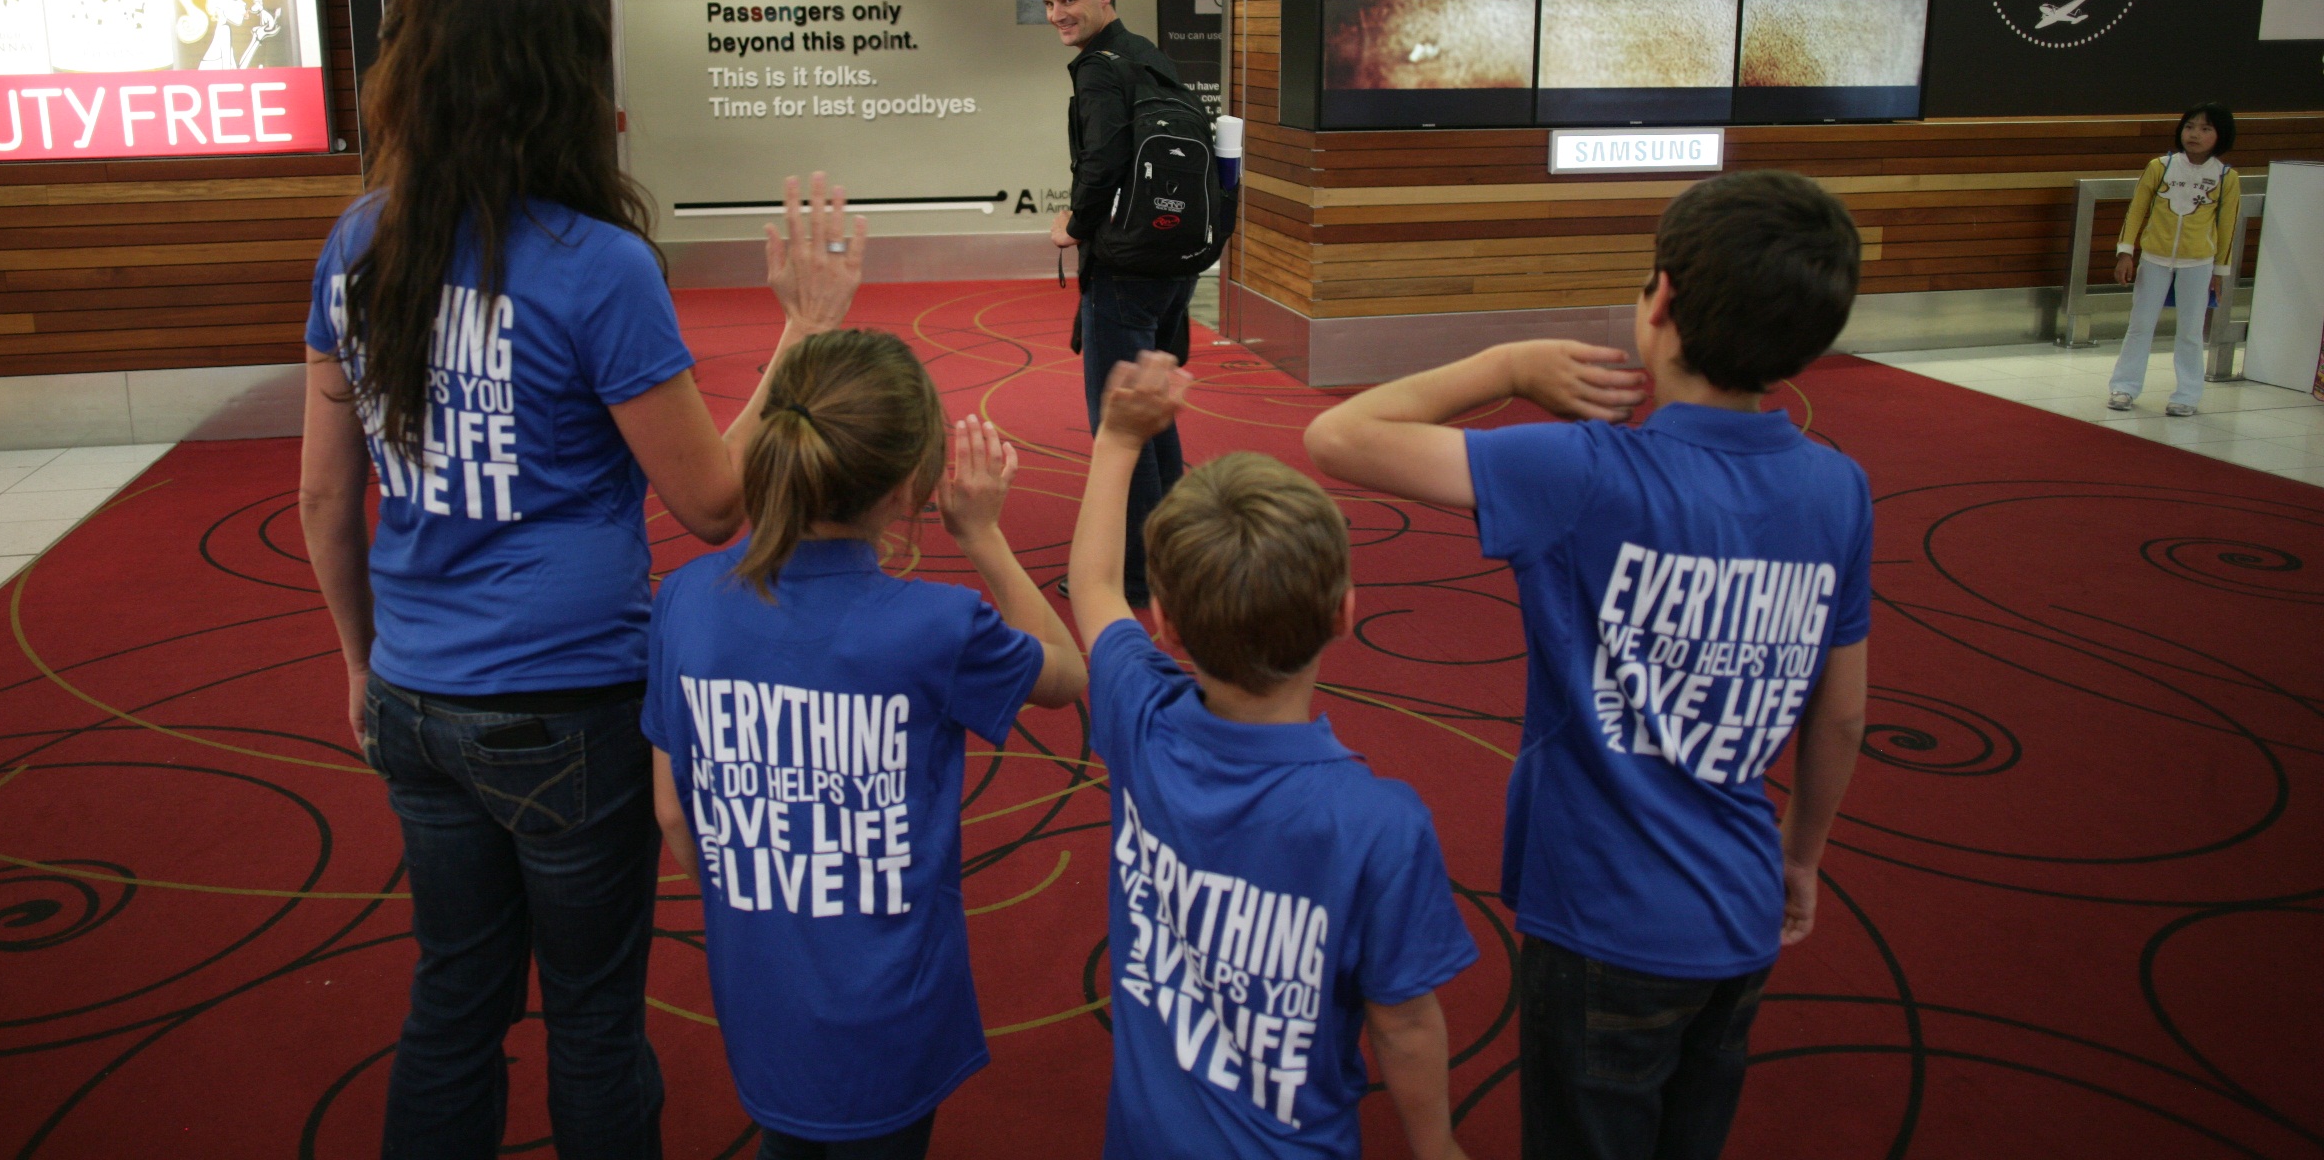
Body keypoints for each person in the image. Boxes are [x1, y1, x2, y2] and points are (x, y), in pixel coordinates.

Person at [298, 0, 865, 1160]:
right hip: (564, 700)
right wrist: (807, 327)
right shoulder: (595, 264)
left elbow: (326, 501)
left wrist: (360, 659)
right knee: (596, 1014)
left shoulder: (360, 241)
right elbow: (714, 501)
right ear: (566, 69)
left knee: (454, 998)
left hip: (414, 689)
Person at [1303, 170, 1873, 1160]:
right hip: (1740, 900)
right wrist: (1802, 852)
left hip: (1602, 913)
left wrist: (1510, 362)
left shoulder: (1580, 469)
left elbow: (1338, 436)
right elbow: (1842, 715)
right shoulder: (1840, 487)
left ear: (1659, 301)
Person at [643, 331, 1087, 1160]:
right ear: (905, 490)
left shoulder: (685, 599)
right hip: (891, 1014)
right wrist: (983, 534)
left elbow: (674, 809)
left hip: (758, 993)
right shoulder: (937, 626)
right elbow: (1065, 674)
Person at [1064, 352, 1479, 1160]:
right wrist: (1436, 1147)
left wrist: (1117, 443)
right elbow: (1405, 1023)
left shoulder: (1139, 717)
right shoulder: (1379, 826)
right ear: (1345, 614)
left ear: (1170, 631)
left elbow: (1094, 586)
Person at [1039, 0, 1196, 607]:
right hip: (1174, 264)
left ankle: (1131, 573)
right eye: (1048, 3)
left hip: (1127, 269)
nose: (1058, 15)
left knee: (1119, 423)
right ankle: (1174, 557)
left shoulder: (1102, 67)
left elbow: (1101, 162)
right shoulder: (1152, 59)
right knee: (1151, 415)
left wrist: (1071, 226)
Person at [2109, 102, 2241, 418]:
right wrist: (2126, 251)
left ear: (2220, 136)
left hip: (2198, 263)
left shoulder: (2226, 176)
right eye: (2190, 126)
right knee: (2140, 324)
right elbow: (2136, 208)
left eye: (2206, 128)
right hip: (2154, 258)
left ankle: (2187, 395)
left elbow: (2227, 225)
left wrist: (2220, 271)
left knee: (2191, 330)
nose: (2195, 134)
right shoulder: (2161, 166)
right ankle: (2124, 387)